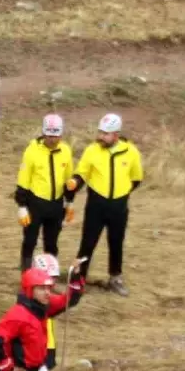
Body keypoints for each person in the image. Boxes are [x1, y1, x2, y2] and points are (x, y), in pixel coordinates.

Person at [70, 113, 144, 297]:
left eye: (106, 134)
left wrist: (121, 193)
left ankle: (115, 279)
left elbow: (136, 179)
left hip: (119, 206)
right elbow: (82, 173)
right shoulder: (92, 150)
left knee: (116, 242)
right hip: (96, 204)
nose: (101, 136)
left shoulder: (131, 152)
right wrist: (74, 183)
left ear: (116, 135)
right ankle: (78, 281)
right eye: (100, 132)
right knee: (87, 243)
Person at [15, 114, 74, 271]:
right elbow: (24, 178)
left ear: (61, 134)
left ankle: (50, 273)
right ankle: (26, 273)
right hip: (35, 202)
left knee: (52, 242)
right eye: (49, 135)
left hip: (56, 203)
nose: (52, 140)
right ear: (43, 132)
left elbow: (69, 178)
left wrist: (69, 202)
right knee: (30, 240)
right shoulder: (32, 151)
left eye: (56, 136)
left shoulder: (66, 151)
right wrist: (21, 206)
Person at [22, 252, 64, 371]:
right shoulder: (30, 305)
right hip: (32, 360)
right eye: (48, 283)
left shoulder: (42, 301)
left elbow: (66, 301)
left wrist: (77, 280)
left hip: (45, 353)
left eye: (53, 282)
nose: (51, 287)